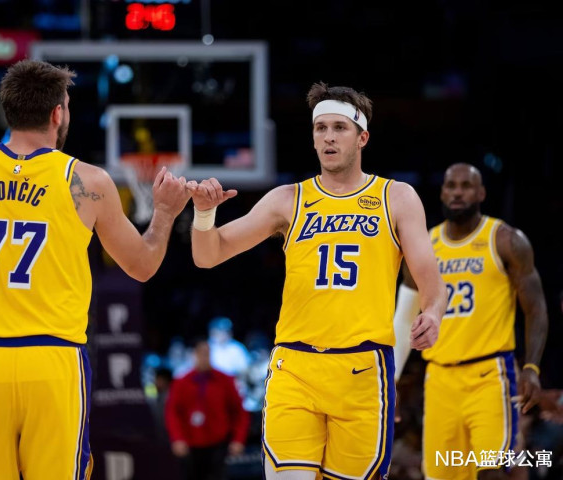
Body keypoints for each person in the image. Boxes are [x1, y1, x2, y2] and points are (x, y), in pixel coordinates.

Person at [0, 59, 190, 479]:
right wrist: (165, 213)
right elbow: (143, 266)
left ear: (10, 109)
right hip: (53, 362)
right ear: (58, 113)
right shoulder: (88, 182)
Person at [187, 82, 446, 479]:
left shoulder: (396, 197)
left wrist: (433, 313)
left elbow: (432, 282)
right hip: (296, 367)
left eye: (339, 128)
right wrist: (204, 215)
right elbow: (208, 256)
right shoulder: (287, 199)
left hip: (363, 369)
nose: (328, 137)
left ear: (362, 137)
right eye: (320, 128)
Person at [393, 163, 548, 479]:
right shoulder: (425, 246)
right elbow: (404, 319)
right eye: (451, 186)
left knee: (493, 471)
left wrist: (532, 368)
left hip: (490, 376)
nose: (457, 193)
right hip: (439, 379)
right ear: (442, 193)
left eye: (466, 186)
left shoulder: (505, 240)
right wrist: (390, 379)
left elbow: (536, 309)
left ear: (481, 193)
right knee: (440, 475)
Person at [165, 338, 250, 480]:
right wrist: (177, 438)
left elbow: (239, 412)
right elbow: (172, 413)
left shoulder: (225, 380)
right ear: (194, 355)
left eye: (207, 353)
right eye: (200, 353)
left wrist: (238, 439)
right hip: (190, 445)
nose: (204, 357)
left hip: (219, 443)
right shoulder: (181, 382)